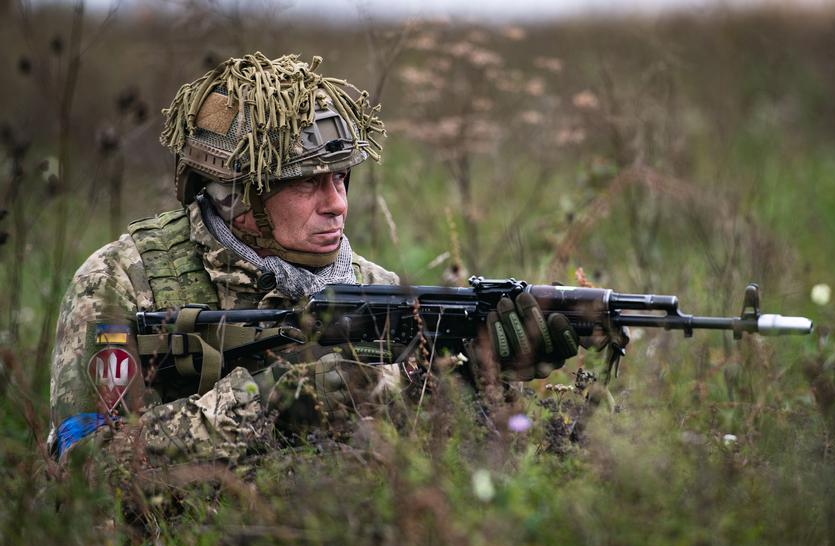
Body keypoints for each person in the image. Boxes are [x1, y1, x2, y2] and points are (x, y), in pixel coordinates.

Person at [48, 52, 580, 469]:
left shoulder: (377, 287)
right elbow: (85, 468)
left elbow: (436, 448)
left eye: (341, 177)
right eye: (307, 181)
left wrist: (493, 379)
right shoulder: (123, 280)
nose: (338, 203)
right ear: (237, 193)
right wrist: (269, 401)